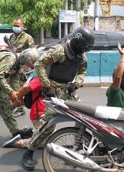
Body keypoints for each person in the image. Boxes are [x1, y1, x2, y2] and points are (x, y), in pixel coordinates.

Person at [21, 27, 95, 171]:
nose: (85, 51)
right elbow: (39, 64)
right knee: (48, 125)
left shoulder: (81, 56)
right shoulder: (60, 51)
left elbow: (82, 70)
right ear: (78, 42)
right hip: (52, 89)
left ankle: (77, 148)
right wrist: (47, 85)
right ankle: (29, 152)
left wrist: (77, 83)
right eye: (84, 47)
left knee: (83, 117)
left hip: (67, 89)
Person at [5, 17, 35, 117]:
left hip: (22, 66)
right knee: (10, 85)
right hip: (13, 64)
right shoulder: (12, 37)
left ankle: (20, 108)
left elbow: (32, 52)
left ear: (22, 27)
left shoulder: (27, 37)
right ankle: (14, 105)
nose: (15, 27)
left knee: (16, 86)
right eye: (14, 25)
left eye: (17, 26)